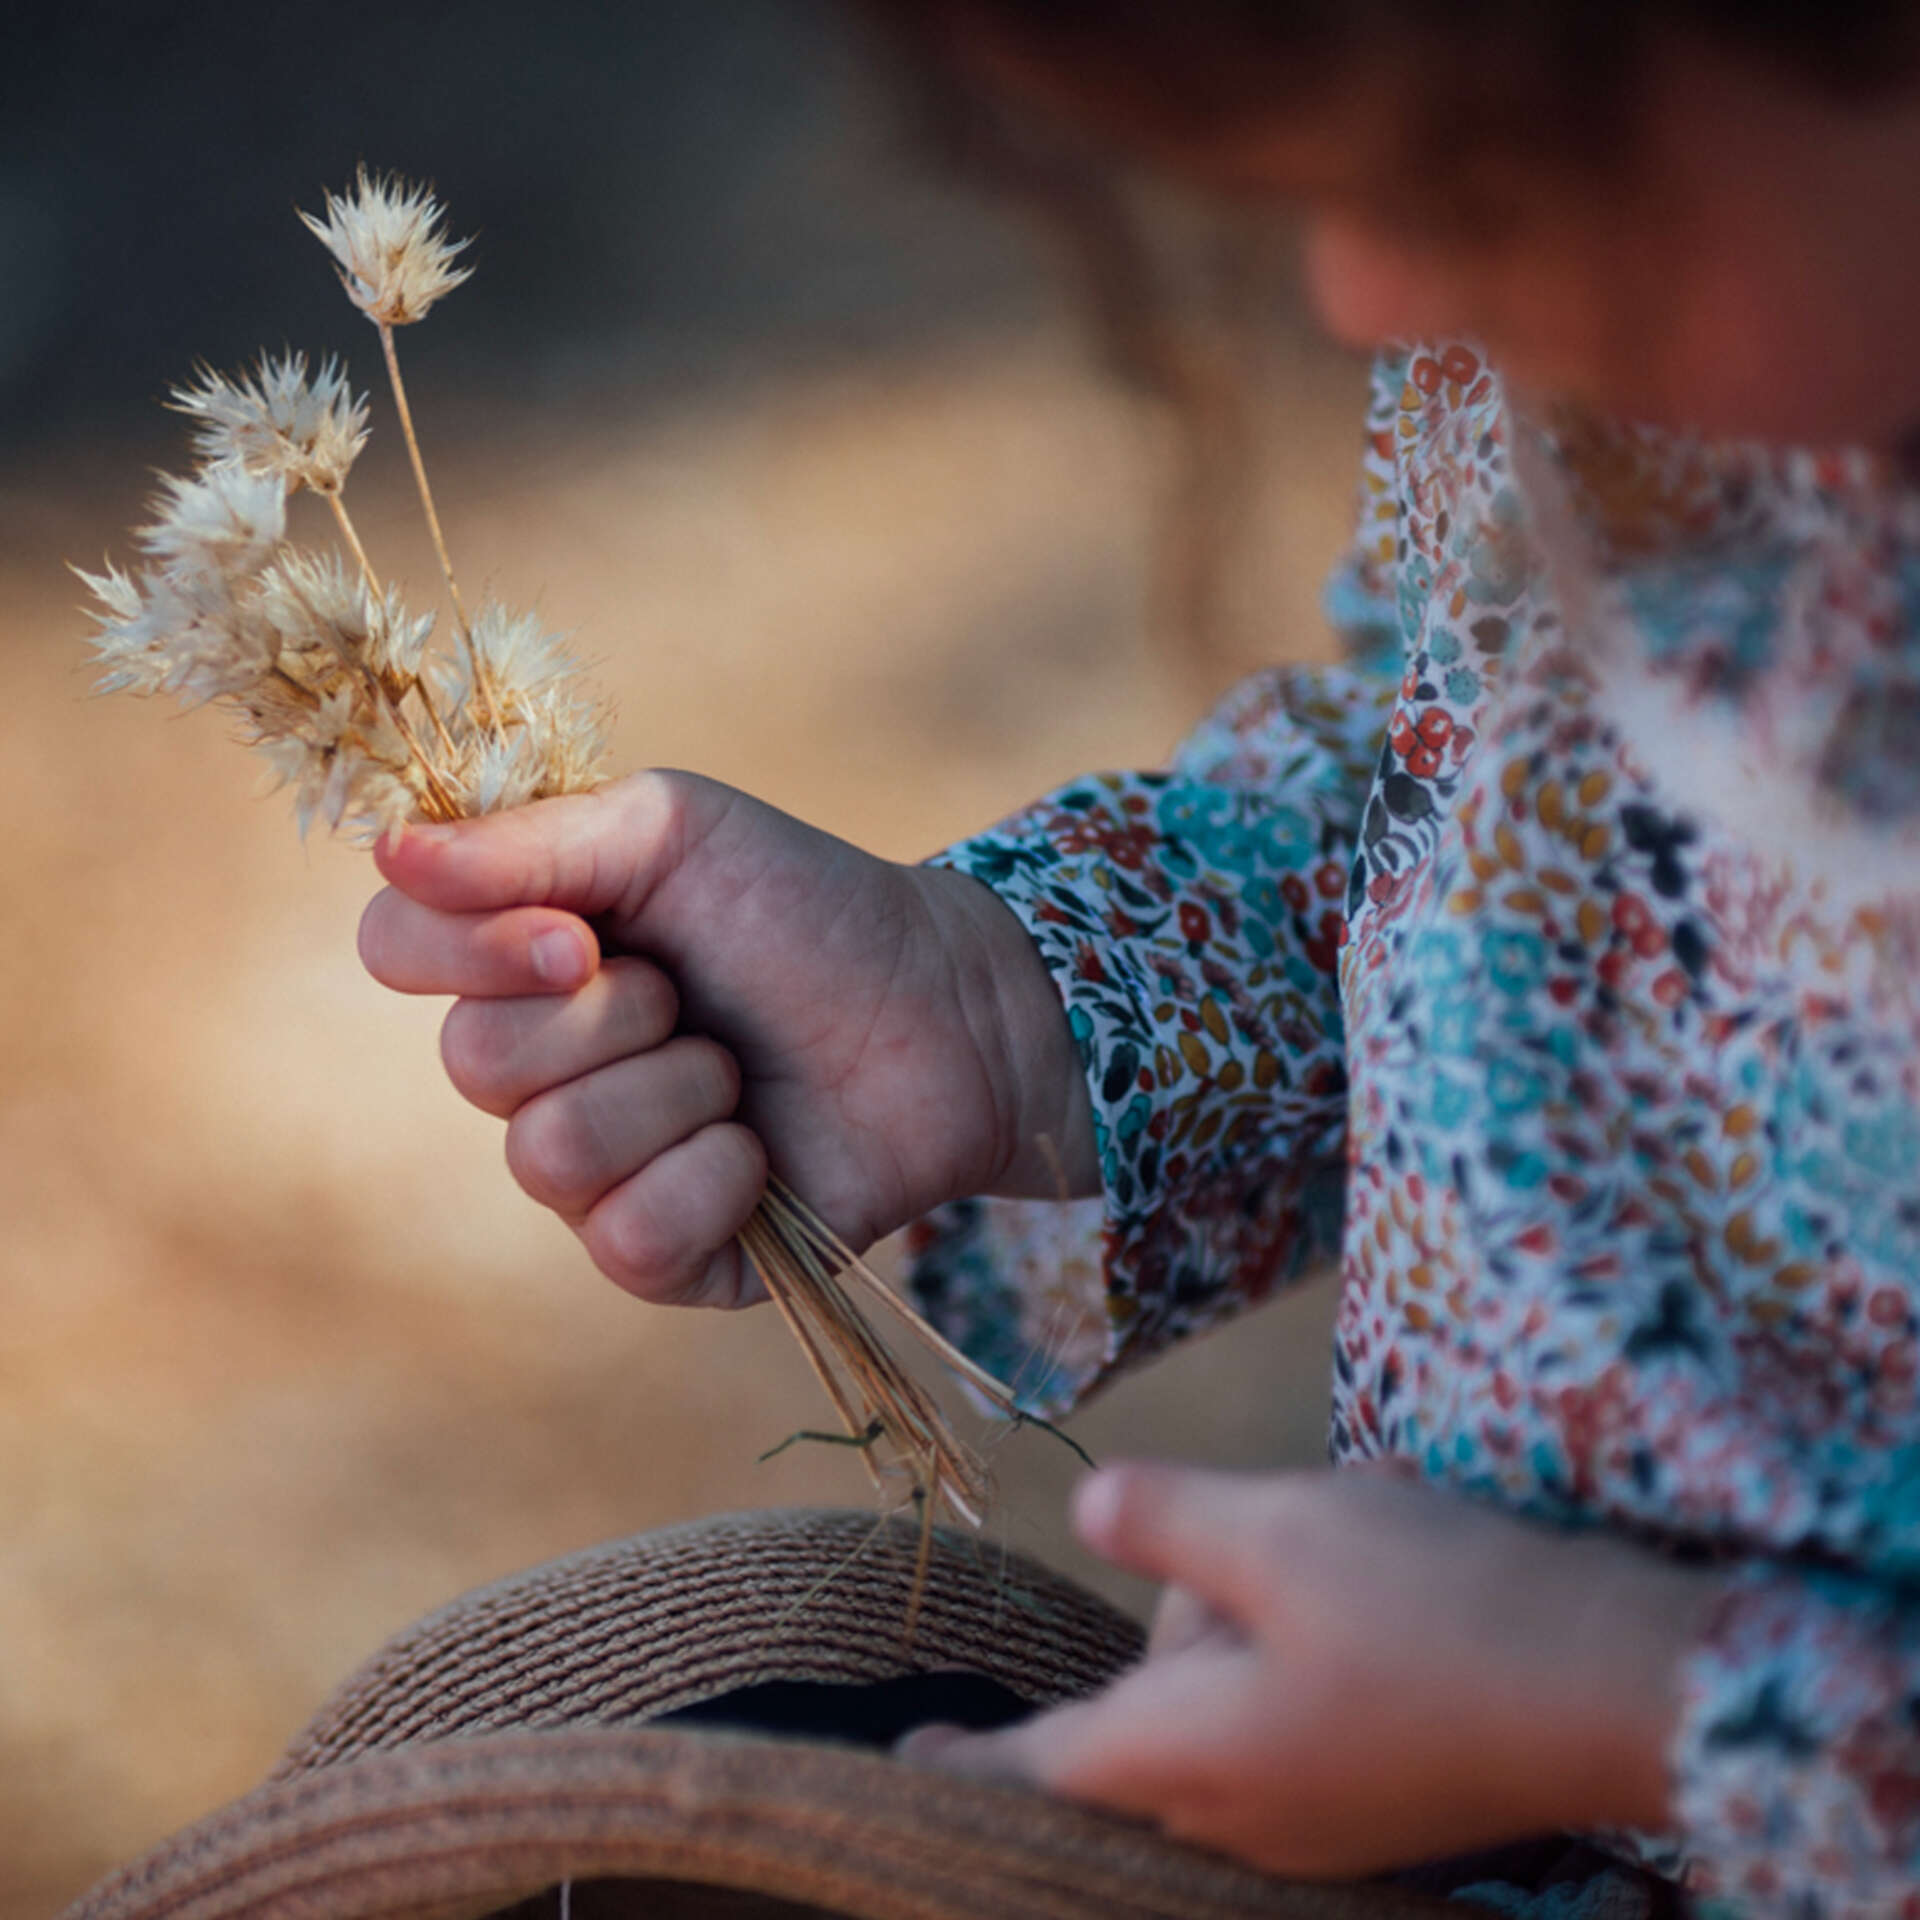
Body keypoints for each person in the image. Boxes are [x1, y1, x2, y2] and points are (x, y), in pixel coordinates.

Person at [356, 5, 1920, 1913]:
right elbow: (1466, 804)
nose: (1364, 284)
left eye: (1500, 175)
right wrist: (1012, 1004)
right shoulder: (1571, 359)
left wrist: (1646, 1713)